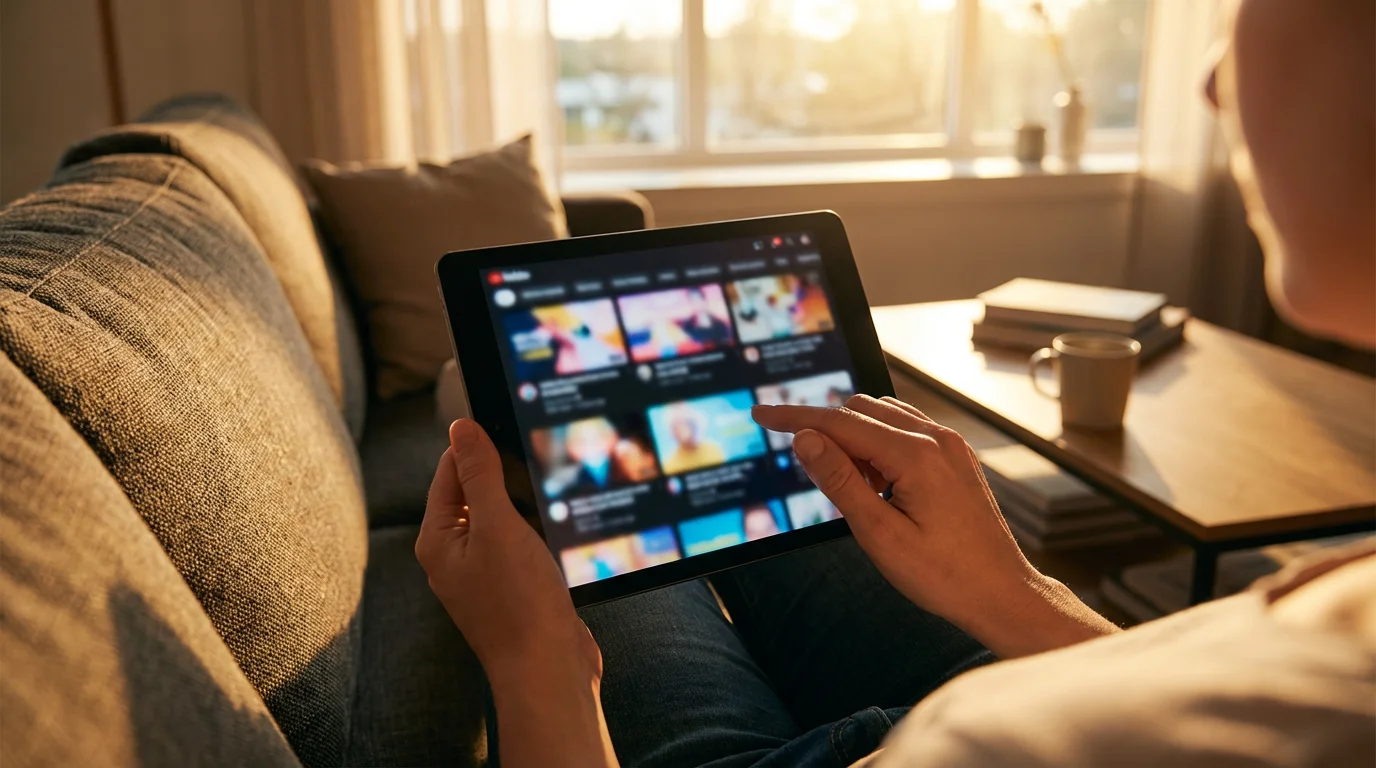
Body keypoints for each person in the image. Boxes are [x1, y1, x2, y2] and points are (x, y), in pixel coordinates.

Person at [414, 2, 1374, 765]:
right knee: (798, 470)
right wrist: (1015, 589)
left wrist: (534, 667)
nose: (1211, 80)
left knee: (584, 540)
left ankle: (472, 393)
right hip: (996, 677)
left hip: (955, 721)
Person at [659, 406, 727, 475]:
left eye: (690, 423)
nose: (685, 429)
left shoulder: (714, 448)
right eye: (676, 427)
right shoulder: (669, 466)